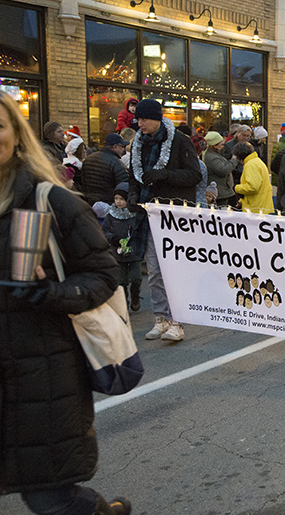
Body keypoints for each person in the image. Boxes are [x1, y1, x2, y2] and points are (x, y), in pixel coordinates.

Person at [0, 92, 132, 514]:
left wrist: (50, 293)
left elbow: (104, 274)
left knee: (50, 499)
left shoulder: (49, 200)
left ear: (16, 136)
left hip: (41, 375)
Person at [128, 98, 202, 342]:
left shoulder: (179, 141)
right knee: (155, 272)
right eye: (138, 119)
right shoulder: (138, 144)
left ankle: (177, 321)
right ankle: (160, 319)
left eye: (145, 119)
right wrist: (131, 195)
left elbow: (194, 174)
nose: (140, 123)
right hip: (150, 214)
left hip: (174, 216)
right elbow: (134, 176)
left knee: (175, 270)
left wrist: (165, 175)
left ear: (158, 118)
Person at [102, 182, 143, 311]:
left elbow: (142, 230)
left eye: (122, 199)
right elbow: (105, 230)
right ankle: (124, 303)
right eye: (116, 199)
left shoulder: (135, 215)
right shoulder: (111, 215)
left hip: (134, 251)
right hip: (118, 253)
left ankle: (135, 295)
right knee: (122, 281)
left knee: (136, 278)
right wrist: (112, 239)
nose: (118, 202)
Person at [81, 133, 130, 206]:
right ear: (115, 147)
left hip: (90, 202)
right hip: (108, 203)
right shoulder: (116, 163)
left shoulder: (88, 159)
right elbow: (123, 186)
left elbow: (83, 182)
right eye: (122, 147)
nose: (123, 150)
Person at [233, 141, 274, 213]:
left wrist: (237, 188)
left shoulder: (250, 165)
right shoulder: (256, 161)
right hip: (261, 207)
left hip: (255, 209)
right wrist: (242, 200)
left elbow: (253, 187)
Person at [203, 131, 238, 207]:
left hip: (222, 190)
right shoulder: (212, 158)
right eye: (221, 144)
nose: (223, 146)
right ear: (215, 146)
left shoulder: (213, 154)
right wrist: (234, 160)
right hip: (221, 192)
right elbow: (223, 170)